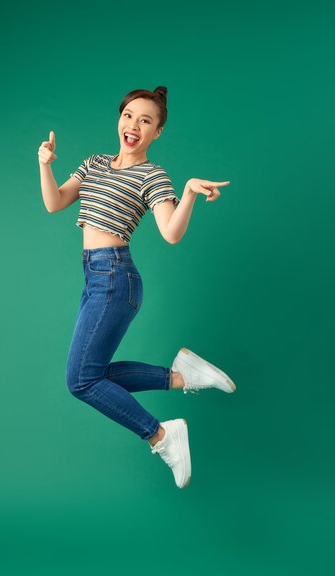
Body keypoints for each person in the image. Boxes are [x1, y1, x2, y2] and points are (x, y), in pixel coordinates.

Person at [38, 86, 236, 489]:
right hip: (94, 276)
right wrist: (44, 164)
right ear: (120, 119)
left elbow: (171, 232)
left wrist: (191, 192)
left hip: (115, 277)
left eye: (146, 120)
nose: (134, 126)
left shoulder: (152, 175)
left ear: (157, 132)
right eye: (129, 115)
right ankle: (182, 376)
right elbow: (55, 202)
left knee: (80, 381)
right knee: (92, 374)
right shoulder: (94, 163)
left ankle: (161, 434)